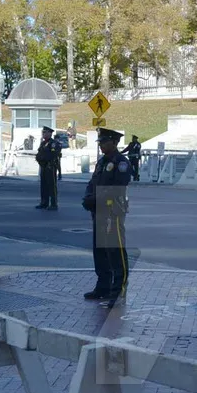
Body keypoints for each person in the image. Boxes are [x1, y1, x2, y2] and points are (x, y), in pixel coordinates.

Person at [82, 128, 132, 309]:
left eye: (104, 142)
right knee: (100, 251)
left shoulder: (121, 163)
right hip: (99, 211)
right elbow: (93, 182)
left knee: (115, 251)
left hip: (113, 211)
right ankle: (103, 286)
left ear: (114, 142)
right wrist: (88, 197)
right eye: (100, 142)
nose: (101, 145)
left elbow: (117, 188)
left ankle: (118, 291)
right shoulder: (102, 162)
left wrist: (96, 199)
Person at [35, 126, 61, 210]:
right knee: (43, 186)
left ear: (50, 133)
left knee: (52, 186)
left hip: (50, 166)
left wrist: (44, 158)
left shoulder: (53, 143)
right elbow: (39, 153)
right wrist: (39, 159)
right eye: (43, 132)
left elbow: (53, 154)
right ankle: (44, 202)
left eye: (45, 132)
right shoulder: (43, 143)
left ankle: (54, 204)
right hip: (43, 166)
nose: (44, 134)